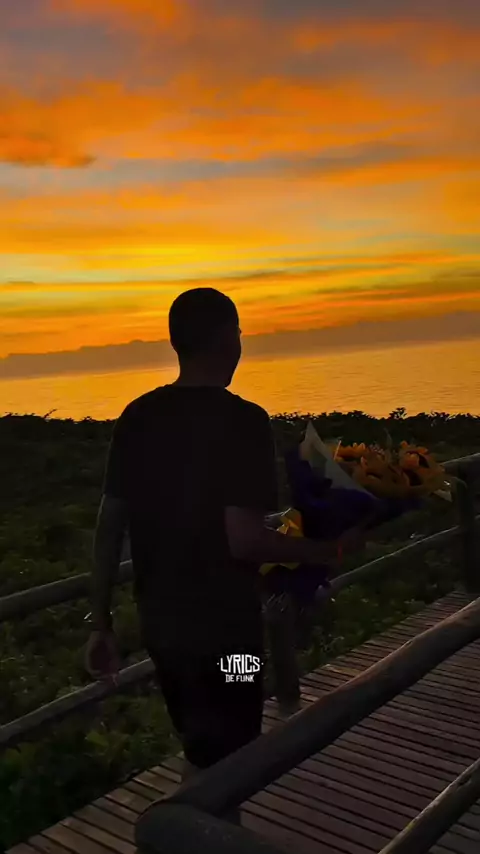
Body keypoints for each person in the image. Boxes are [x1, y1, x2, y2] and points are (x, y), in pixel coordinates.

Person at [84, 287, 364, 811]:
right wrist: (329, 549)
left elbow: (108, 527)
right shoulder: (243, 421)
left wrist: (100, 624)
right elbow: (245, 538)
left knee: (200, 744)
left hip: (164, 633)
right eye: (237, 332)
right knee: (236, 751)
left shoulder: (138, 416)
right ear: (226, 339)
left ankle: (195, 826)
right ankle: (197, 833)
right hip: (229, 637)